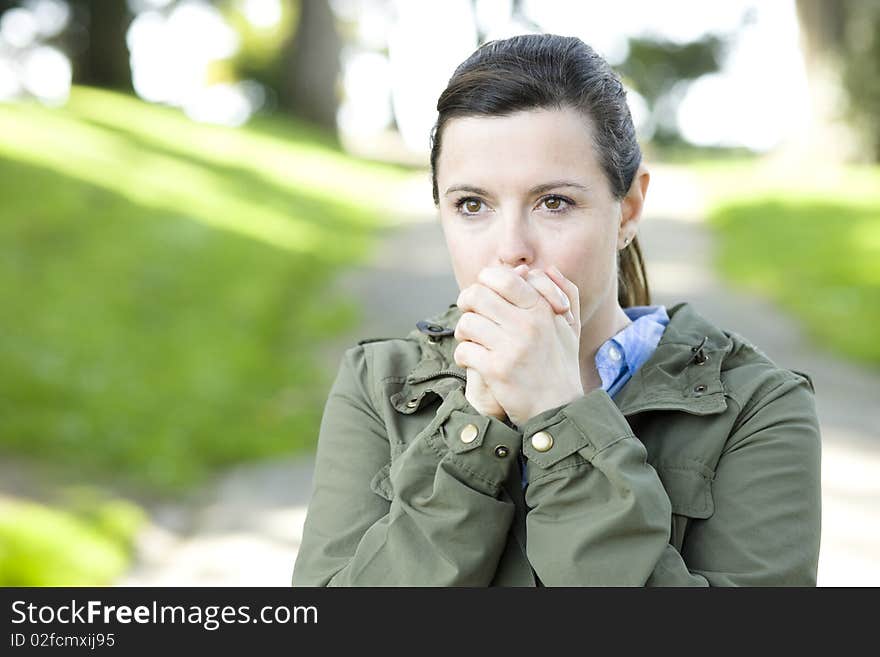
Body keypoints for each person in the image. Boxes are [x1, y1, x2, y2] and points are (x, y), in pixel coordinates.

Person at [291, 34, 821, 586]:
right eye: (472, 205)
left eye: (554, 202)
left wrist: (561, 416)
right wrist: (472, 434)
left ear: (628, 211)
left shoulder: (756, 406)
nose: (510, 246)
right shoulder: (379, 386)